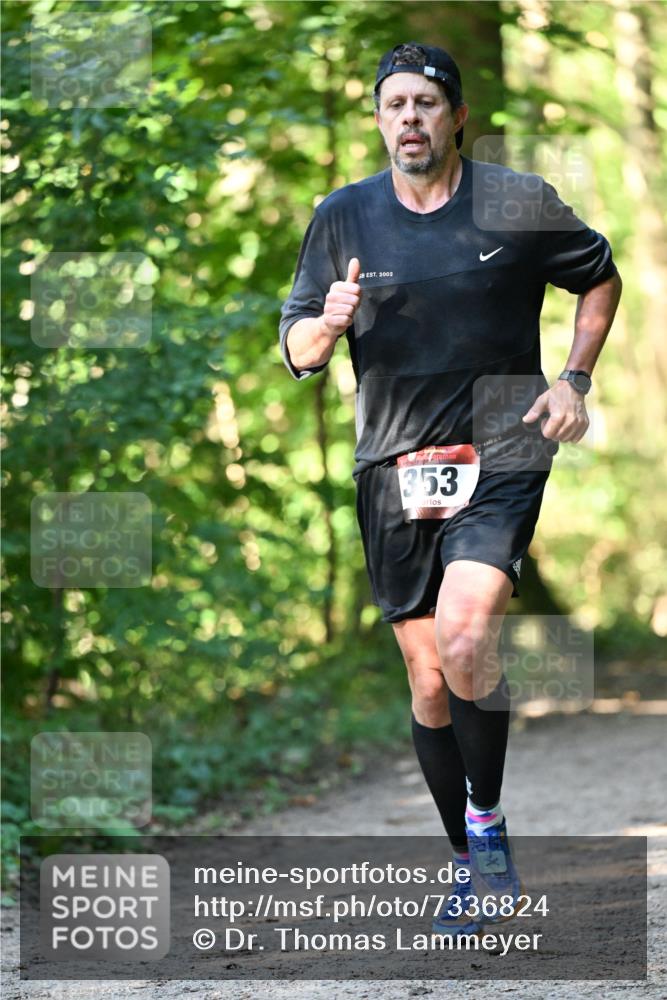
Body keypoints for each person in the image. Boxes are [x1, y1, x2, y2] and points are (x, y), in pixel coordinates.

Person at [278, 41, 622, 935]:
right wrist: (327, 322)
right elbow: (297, 353)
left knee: (469, 635)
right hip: (392, 466)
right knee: (430, 681)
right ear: (379, 118)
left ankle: (486, 822)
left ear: (455, 114)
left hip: (502, 444)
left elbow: (597, 276)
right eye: (394, 105)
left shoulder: (514, 200)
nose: (409, 121)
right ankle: (471, 862)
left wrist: (573, 381)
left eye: (426, 104)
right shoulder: (342, 217)